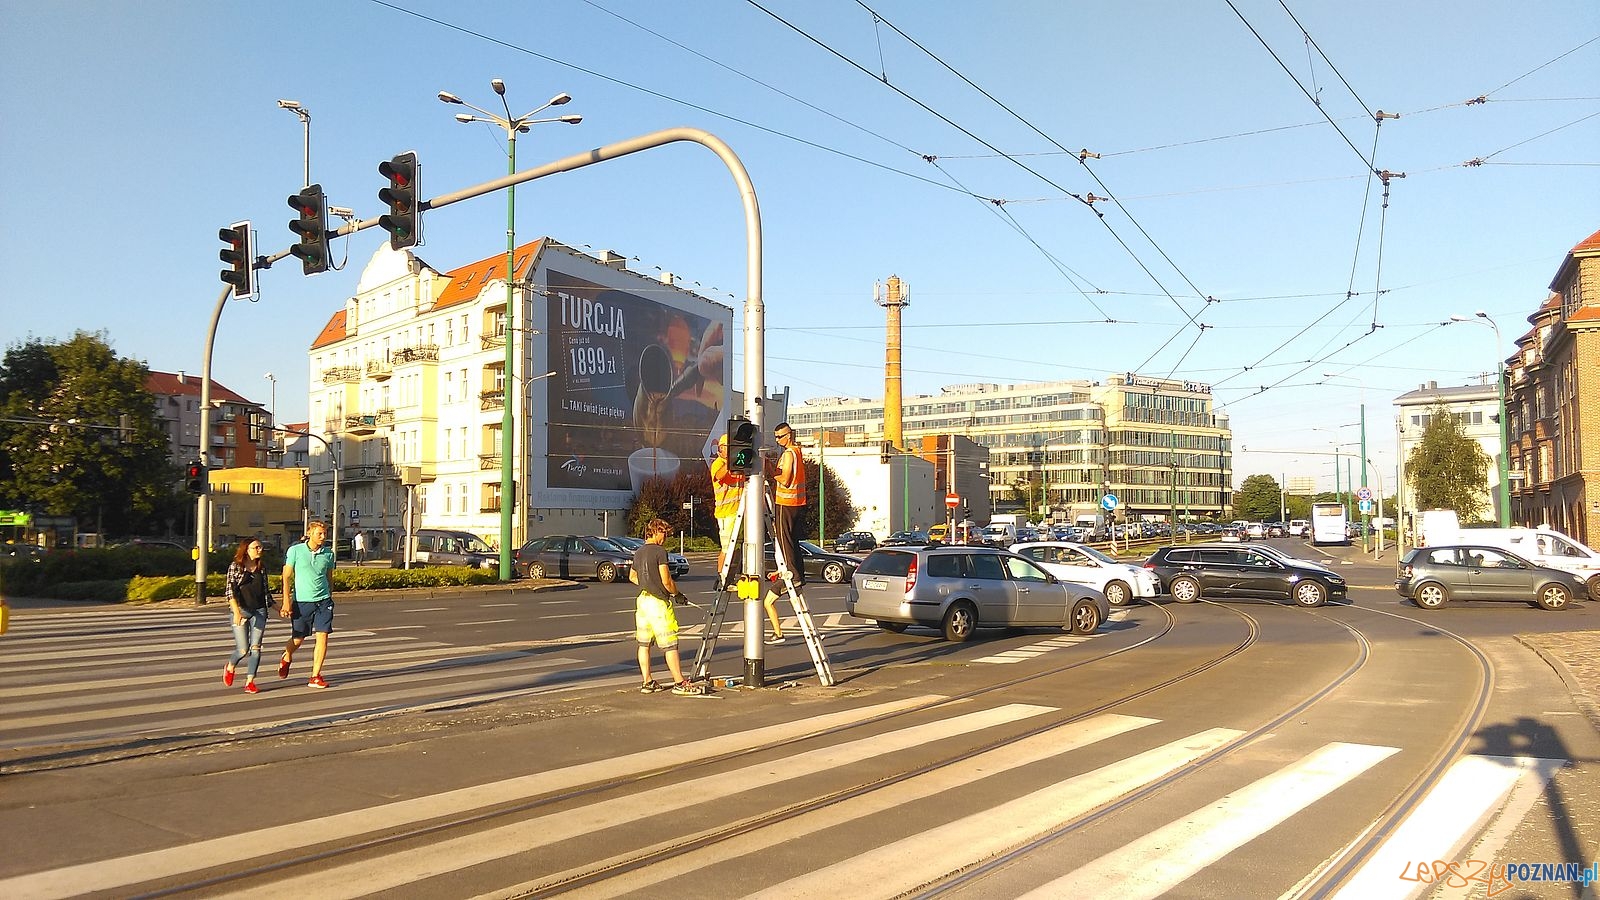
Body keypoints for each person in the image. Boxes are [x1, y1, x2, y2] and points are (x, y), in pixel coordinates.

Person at [628, 517, 696, 695]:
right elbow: (666, 580)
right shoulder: (659, 552)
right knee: (669, 643)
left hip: (642, 601)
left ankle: (647, 681)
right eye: (664, 533)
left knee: (644, 644)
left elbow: (632, 577)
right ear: (656, 531)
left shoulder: (639, 552)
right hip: (658, 604)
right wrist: (677, 594)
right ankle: (680, 682)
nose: (665, 537)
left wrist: (647, 583)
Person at [278, 521, 336, 689]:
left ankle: (315, 675)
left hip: (323, 601)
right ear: (310, 533)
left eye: (325, 533)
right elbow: (286, 577)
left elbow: (329, 576)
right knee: (298, 639)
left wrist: (330, 594)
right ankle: (287, 656)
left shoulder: (328, 554)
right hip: (302, 601)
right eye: (320, 533)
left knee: (323, 635)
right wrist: (286, 601)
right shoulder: (295, 551)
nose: (323, 537)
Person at [766, 421, 807, 644]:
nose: (778, 442)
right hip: (797, 503)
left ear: (789, 435)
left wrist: (770, 469)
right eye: (776, 438)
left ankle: (793, 573)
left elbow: (786, 478)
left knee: (784, 539)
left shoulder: (790, 454)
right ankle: (797, 572)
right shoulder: (797, 452)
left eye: (780, 437)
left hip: (786, 503)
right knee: (793, 539)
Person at [222, 538, 273, 694]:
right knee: (243, 650)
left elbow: (266, 592)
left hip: (260, 611)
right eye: (256, 547)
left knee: (256, 648)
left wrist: (279, 607)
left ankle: (250, 681)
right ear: (246, 549)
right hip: (242, 611)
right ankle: (230, 666)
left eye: (261, 547)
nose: (260, 550)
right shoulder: (236, 567)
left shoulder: (261, 568)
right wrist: (236, 612)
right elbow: (229, 591)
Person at [710, 433, 746, 585]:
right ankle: (721, 578)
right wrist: (730, 461)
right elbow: (720, 475)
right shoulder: (718, 464)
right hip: (726, 514)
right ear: (721, 449)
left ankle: (730, 577)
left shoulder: (738, 463)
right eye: (728, 448)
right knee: (727, 548)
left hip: (739, 511)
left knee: (737, 548)